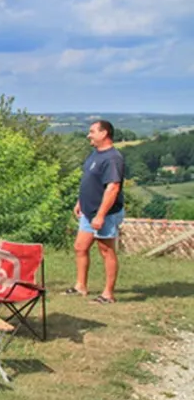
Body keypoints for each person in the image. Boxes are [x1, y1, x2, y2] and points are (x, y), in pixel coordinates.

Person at [65, 119, 125, 304]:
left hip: (105, 213)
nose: (88, 135)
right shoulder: (95, 154)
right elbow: (89, 181)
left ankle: (108, 294)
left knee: (106, 250)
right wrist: (80, 202)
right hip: (88, 211)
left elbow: (113, 188)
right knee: (80, 247)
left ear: (104, 133)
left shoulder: (113, 158)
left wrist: (100, 215)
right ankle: (80, 286)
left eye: (92, 131)